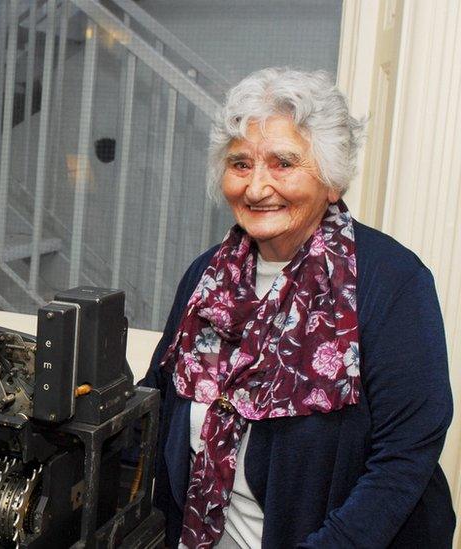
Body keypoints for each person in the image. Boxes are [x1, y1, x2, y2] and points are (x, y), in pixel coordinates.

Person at [141, 67, 454, 548]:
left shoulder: (392, 282)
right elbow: (158, 399)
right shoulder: (206, 276)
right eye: (241, 164)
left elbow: (404, 457)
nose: (256, 187)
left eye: (283, 163)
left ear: (332, 181)